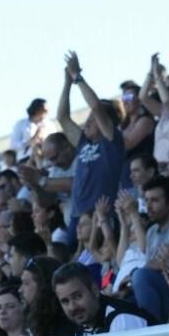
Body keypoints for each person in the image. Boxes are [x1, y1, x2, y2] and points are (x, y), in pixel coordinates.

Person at [57, 51, 126, 242]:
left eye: (92, 120)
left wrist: (77, 77)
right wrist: (67, 83)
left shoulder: (112, 141)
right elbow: (62, 118)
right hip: (78, 216)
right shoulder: (83, 142)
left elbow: (96, 106)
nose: (86, 123)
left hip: (102, 214)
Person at [116, 175, 169, 322]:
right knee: (122, 297)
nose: (148, 206)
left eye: (155, 200)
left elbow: (162, 263)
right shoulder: (151, 231)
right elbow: (152, 264)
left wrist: (135, 274)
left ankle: (152, 333)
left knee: (141, 276)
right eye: (147, 200)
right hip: (165, 289)